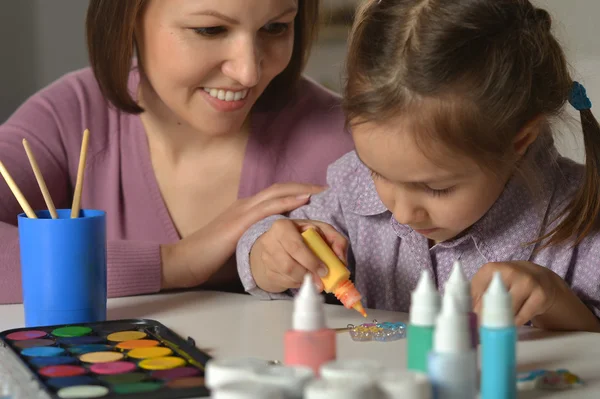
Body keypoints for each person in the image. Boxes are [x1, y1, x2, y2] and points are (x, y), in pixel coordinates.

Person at [237, 0, 600, 332]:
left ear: (519, 141)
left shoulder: (581, 227)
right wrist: (269, 257)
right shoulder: (355, 188)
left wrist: (555, 301)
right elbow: (274, 242)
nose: (403, 212)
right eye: (378, 172)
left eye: (435, 188)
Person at [0, 0, 354, 304]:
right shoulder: (70, 117)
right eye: (210, 29)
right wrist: (174, 263)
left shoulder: (345, 146)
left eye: (275, 27)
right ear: (129, 19)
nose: (248, 72)